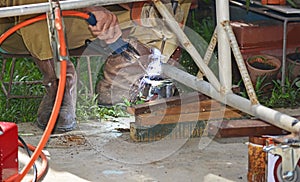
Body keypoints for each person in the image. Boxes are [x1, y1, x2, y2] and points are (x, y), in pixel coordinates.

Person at [0, 0, 192, 132]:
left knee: (167, 7)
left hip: (92, 21)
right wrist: (88, 5)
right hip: (24, 18)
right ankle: (59, 80)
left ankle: (129, 66)